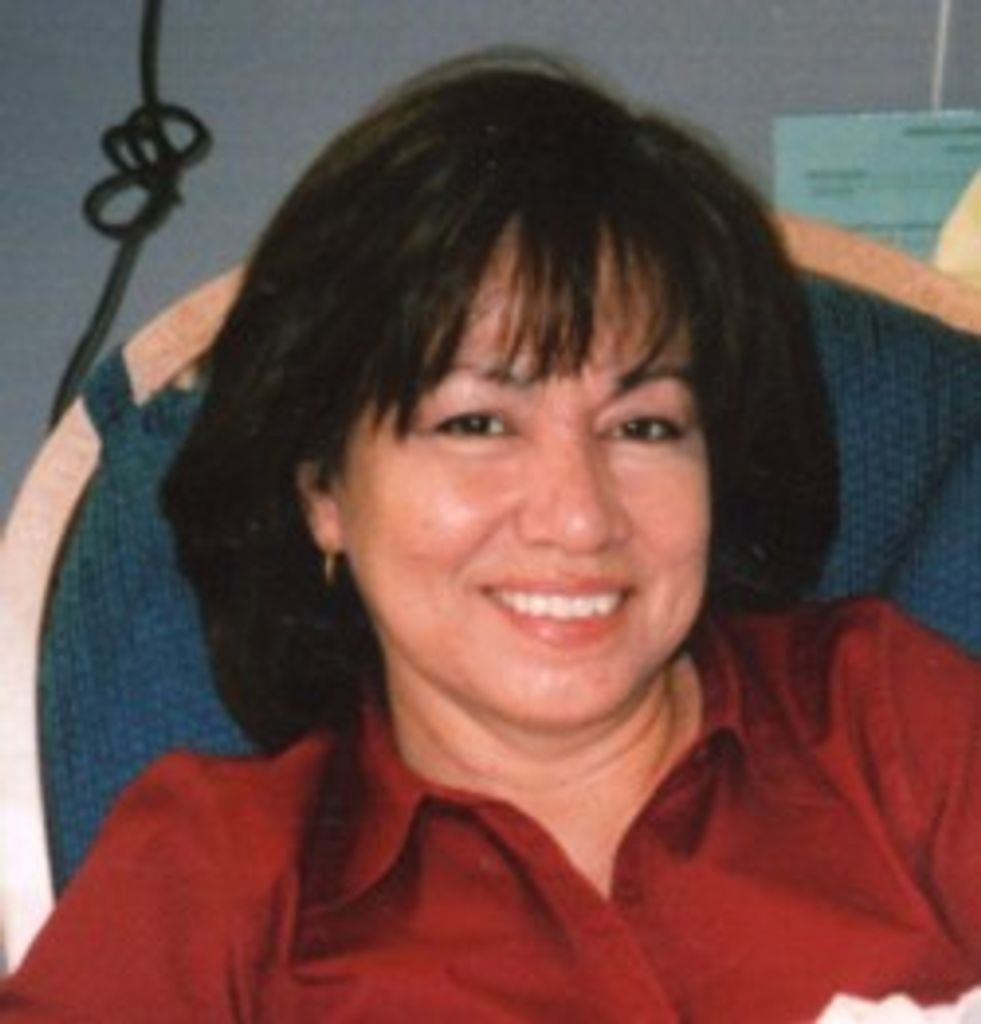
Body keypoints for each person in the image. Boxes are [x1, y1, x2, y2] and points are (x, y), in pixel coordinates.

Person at [2, 49, 980, 1023]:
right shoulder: (211, 874)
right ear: (324, 491)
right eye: (476, 423)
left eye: (644, 427)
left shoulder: (885, 719)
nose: (579, 516)